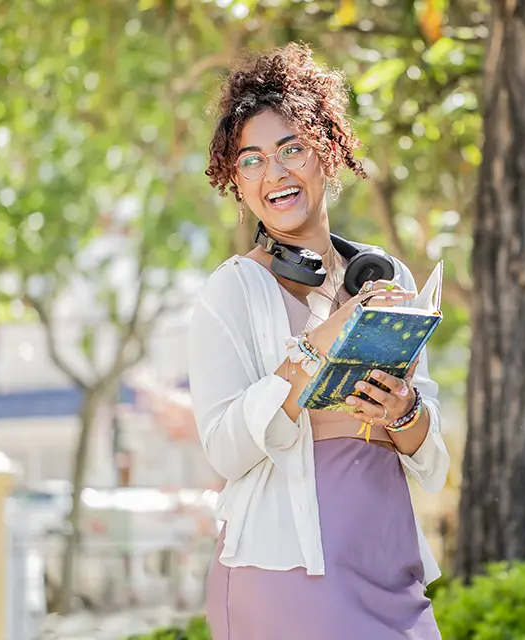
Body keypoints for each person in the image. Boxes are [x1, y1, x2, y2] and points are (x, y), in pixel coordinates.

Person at [186, 43, 450, 639]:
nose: (275, 174)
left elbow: (431, 453)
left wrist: (403, 412)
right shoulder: (231, 293)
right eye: (250, 160)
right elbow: (225, 450)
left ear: (326, 153)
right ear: (235, 179)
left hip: (391, 567)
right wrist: (315, 346)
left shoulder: (386, 281)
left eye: (291, 149)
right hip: (290, 577)